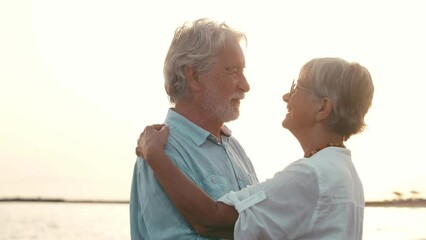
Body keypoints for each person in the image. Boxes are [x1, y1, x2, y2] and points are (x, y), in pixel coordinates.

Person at [136, 57, 374, 239]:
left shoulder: (312, 175)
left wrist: (155, 155)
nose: (285, 96)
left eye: (296, 88)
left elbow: (211, 220)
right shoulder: (344, 172)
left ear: (323, 108)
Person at [129, 18, 258, 240]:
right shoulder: (163, 152)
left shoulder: (233, 147)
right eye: (233, 71)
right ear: (194, 77)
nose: (245, 85)